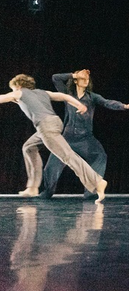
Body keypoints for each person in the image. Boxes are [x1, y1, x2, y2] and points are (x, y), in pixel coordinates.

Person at [0, 74, 107, 204]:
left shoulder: (19, 92)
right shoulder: (42, 92)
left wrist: (13, 95)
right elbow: (64, 96)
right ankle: (33, 187)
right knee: (29, 147)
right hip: (54, 123)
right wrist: (78, 104)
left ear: (18, 86)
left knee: (67, 155)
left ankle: (97, 181)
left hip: (46, 127)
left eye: (13, 89)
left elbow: (4, 97)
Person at [40, 69, 129, 200]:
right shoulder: (67, 94)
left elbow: (107, 102)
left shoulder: (92, 97)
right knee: (52, 165)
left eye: (87, 79)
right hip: (67, 138)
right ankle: (47, 192)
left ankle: (91, 192)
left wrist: (124, 106)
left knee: (99, 156)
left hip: (85, 138)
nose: (86, 80)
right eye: (82, 78)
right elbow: (55, 78)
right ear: (75, 80)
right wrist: (75, 74)